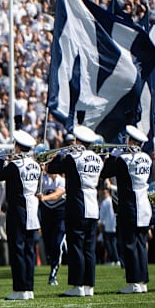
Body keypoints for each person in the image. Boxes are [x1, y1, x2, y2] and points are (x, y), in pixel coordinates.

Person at [46, 125, 102, 297]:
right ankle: (89, 286)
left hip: (77, 204)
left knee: (76, 245)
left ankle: (78, 286)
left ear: (77, 141)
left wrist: (60, 154)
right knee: (89, 248)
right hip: (93, 204)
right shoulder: (98, 159)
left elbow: (52, 168)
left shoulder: (73, 157)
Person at [99, 125, 151, 294]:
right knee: (141, 244)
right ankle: (142, 281)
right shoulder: (147, 158)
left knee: (129, 244)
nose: (125, 142)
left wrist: (113, 156)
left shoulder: (124, 159)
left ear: (134, 141)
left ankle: (133, 281)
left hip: (130, 205)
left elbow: (105, 172)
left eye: (129, 139)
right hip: (143, 205)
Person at [0, 130, 40, 300]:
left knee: (17, 249)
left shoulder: (15, 165)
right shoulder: (35, 164)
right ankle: (29, 288)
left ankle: (20, 289)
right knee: (28, 250)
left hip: (18, 209)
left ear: (18, 147)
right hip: (32, 208)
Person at [36, 167, 66, 286]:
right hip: (46, 217)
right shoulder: (43, 180)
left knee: (57, 245)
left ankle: (53, 274)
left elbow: (57, 194)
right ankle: (53, 264)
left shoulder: (61, 180)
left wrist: (44, 197)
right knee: (49, 247)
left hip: (59, 217)